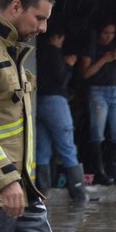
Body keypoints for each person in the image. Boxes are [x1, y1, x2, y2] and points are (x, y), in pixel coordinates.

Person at [0, 0, 60, 232]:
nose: (44, 27)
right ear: (16, 7)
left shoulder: (12, 50)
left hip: (22, 188)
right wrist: (5, 179)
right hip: (0, 188)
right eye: (40, 18)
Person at [35, 21, 89, 202]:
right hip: (55, 103)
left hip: (39, 101)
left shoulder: (38, 52)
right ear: (56, 38)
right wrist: (69, 65)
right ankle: (79, 195)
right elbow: (61, 79)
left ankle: (43, 193)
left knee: (42, 150)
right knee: (67, 148)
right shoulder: (53, 52)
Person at [81, 19, 116, 188]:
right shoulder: (92, 47)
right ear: (100, 32)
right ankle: (99, 172)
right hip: (98, 91)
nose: (109, 37)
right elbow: (85, 73)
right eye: (106, 33)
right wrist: (103, 59)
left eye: (112, 34)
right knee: (97, 132)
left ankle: (114, 171)